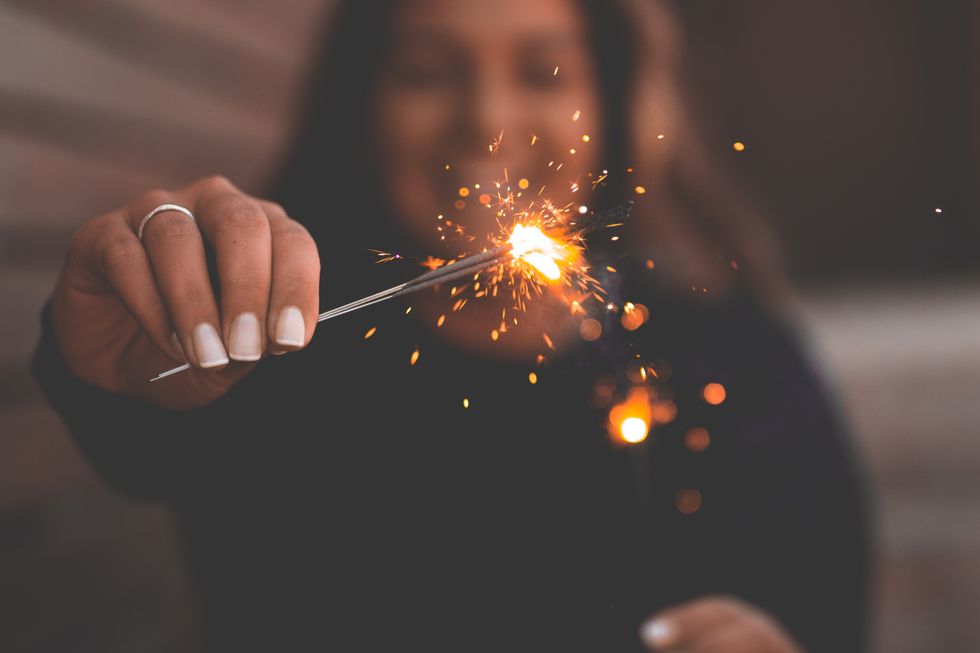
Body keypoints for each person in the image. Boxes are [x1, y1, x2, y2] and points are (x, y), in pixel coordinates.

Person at [32, 0, 870, 650]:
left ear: (612, 107)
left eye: (544, 72)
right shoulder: (275, 349)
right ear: (361, 108)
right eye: (427, 72)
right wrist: (119, 344)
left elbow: (829, 613)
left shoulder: (741, 369)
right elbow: (138, 429)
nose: (486, 119)